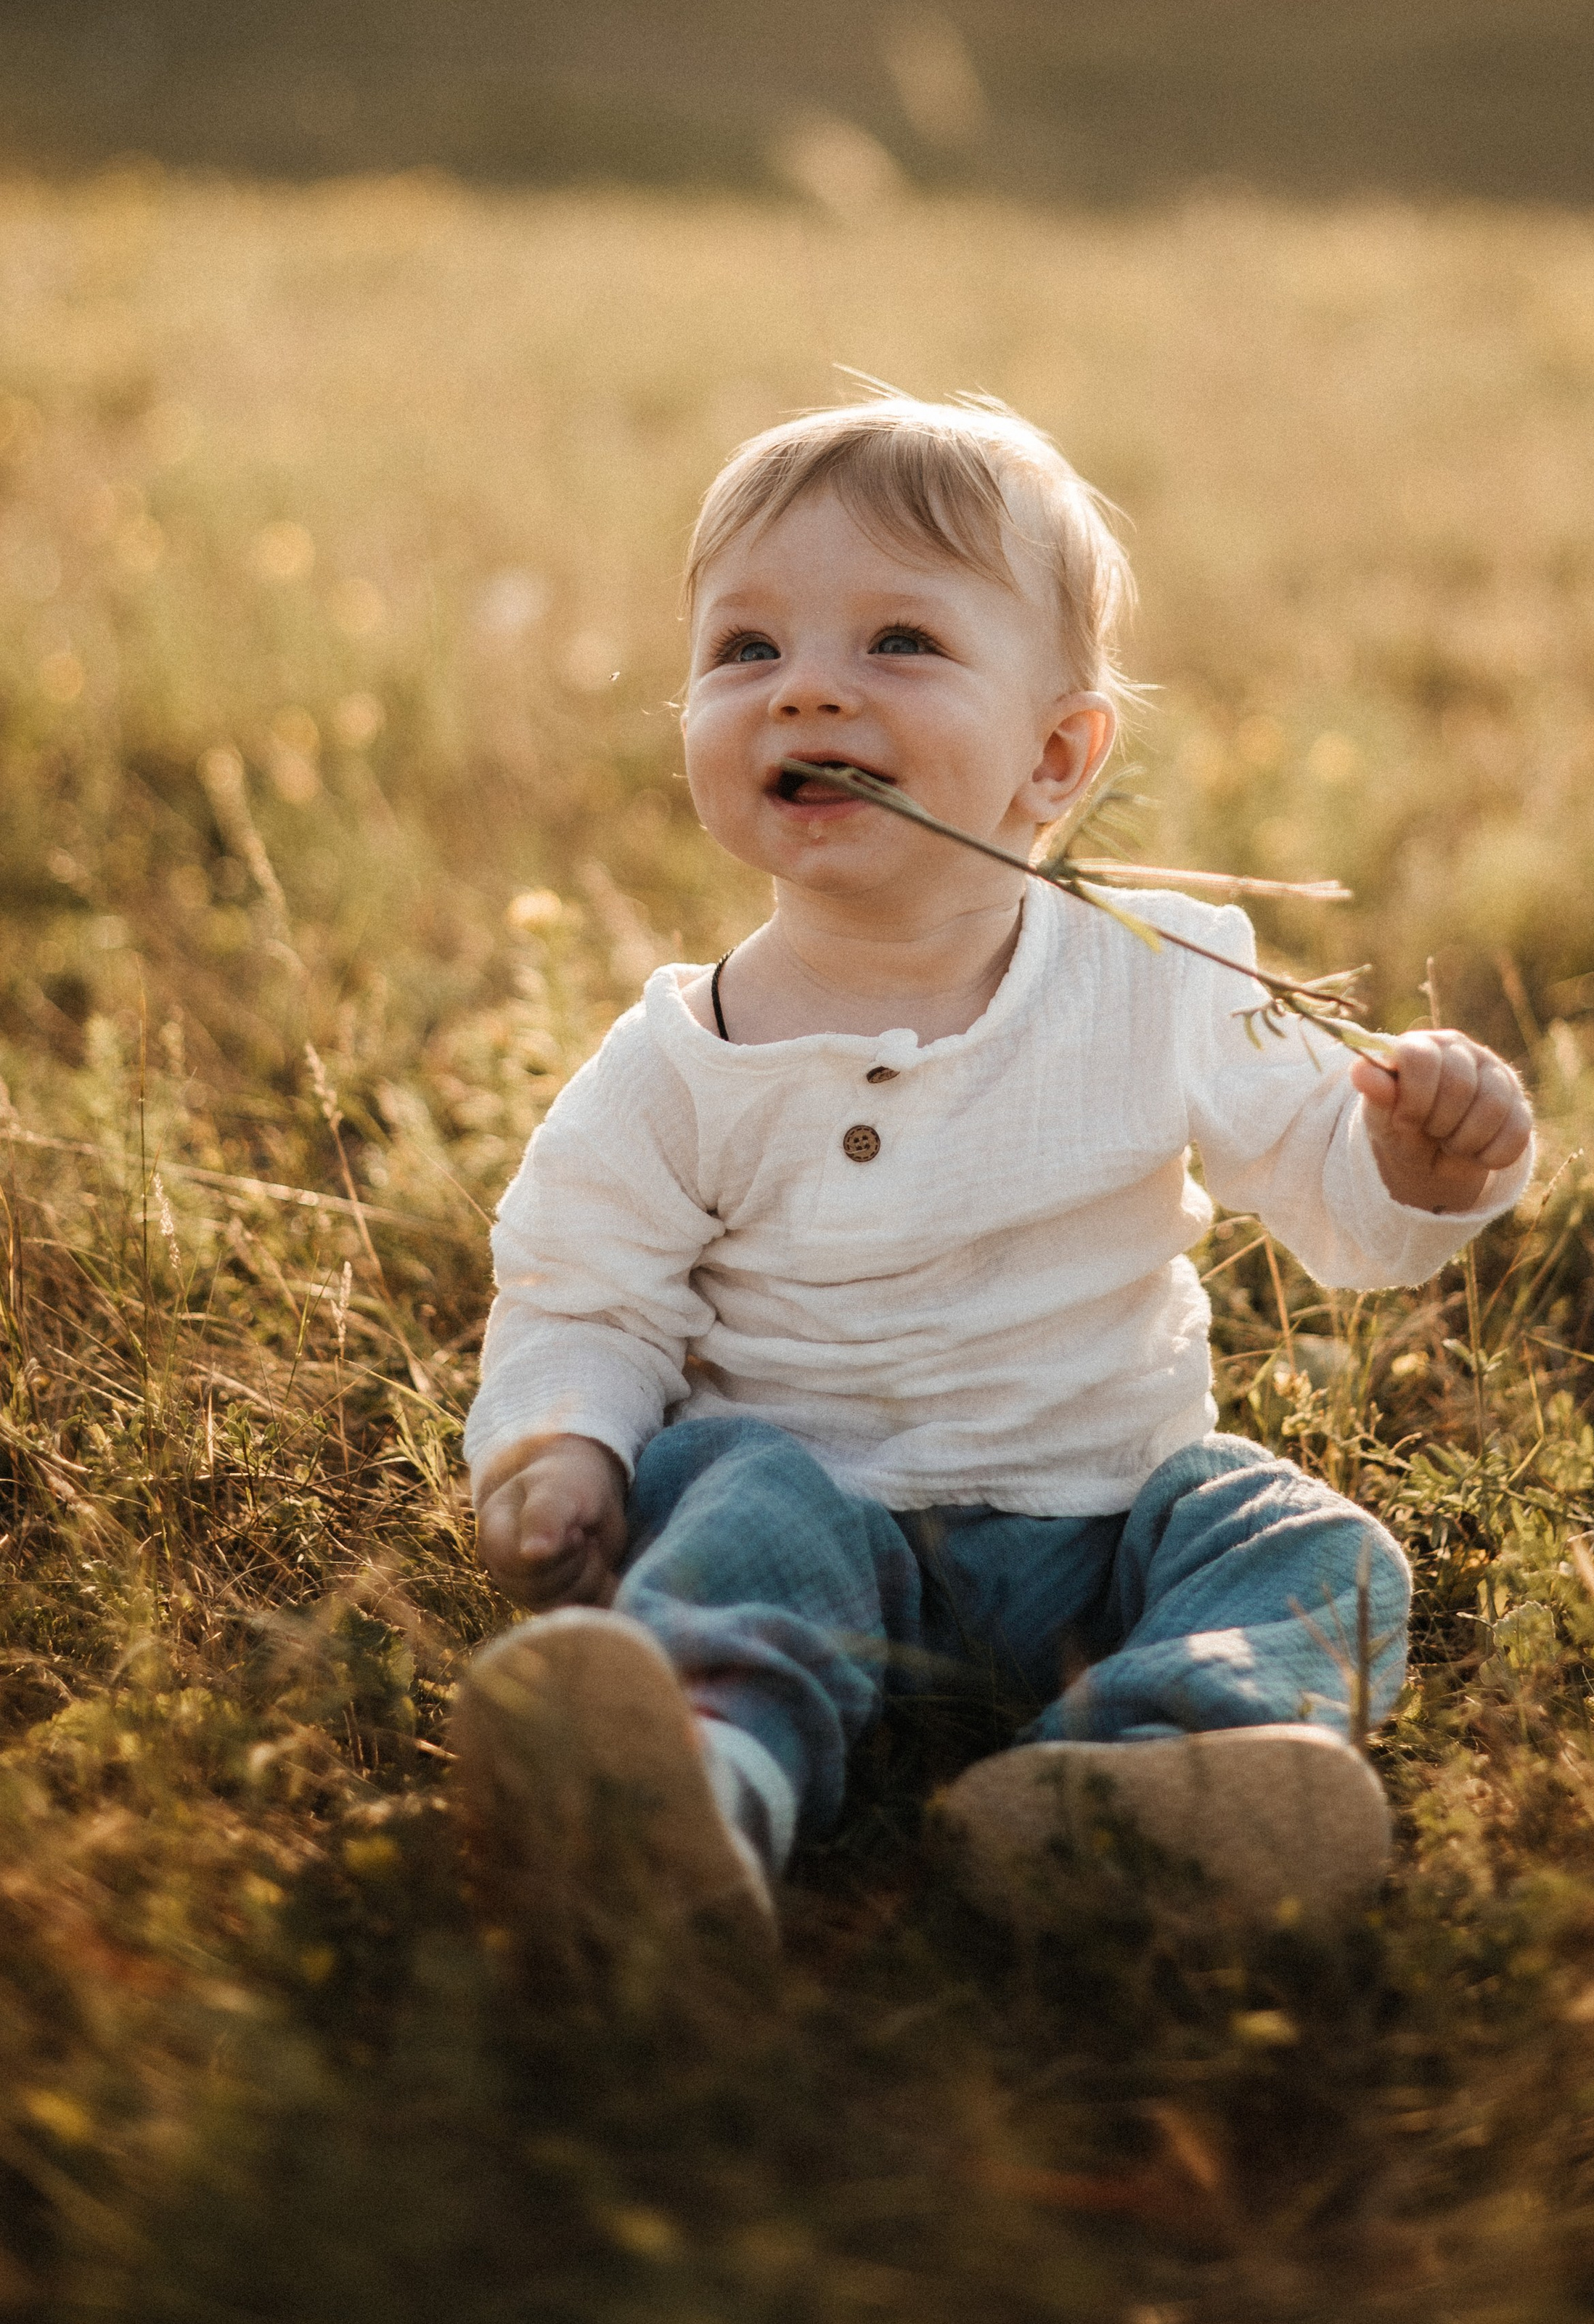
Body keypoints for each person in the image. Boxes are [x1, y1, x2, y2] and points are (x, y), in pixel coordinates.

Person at [451, 396, 1533, 1949]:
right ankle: (692, 1783)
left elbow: (1328, 1195)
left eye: (896, 640)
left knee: (1310, 1546)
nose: (805, 687)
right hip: (814, 1521)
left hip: (1097, 1532)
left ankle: (1144, 1777)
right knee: (726, 1499)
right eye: (743, 651)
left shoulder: (1157, 975)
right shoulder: (681, 1062)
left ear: (1053, 754)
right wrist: (557, 1447)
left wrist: (1413, 1161)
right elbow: (582, 1288)